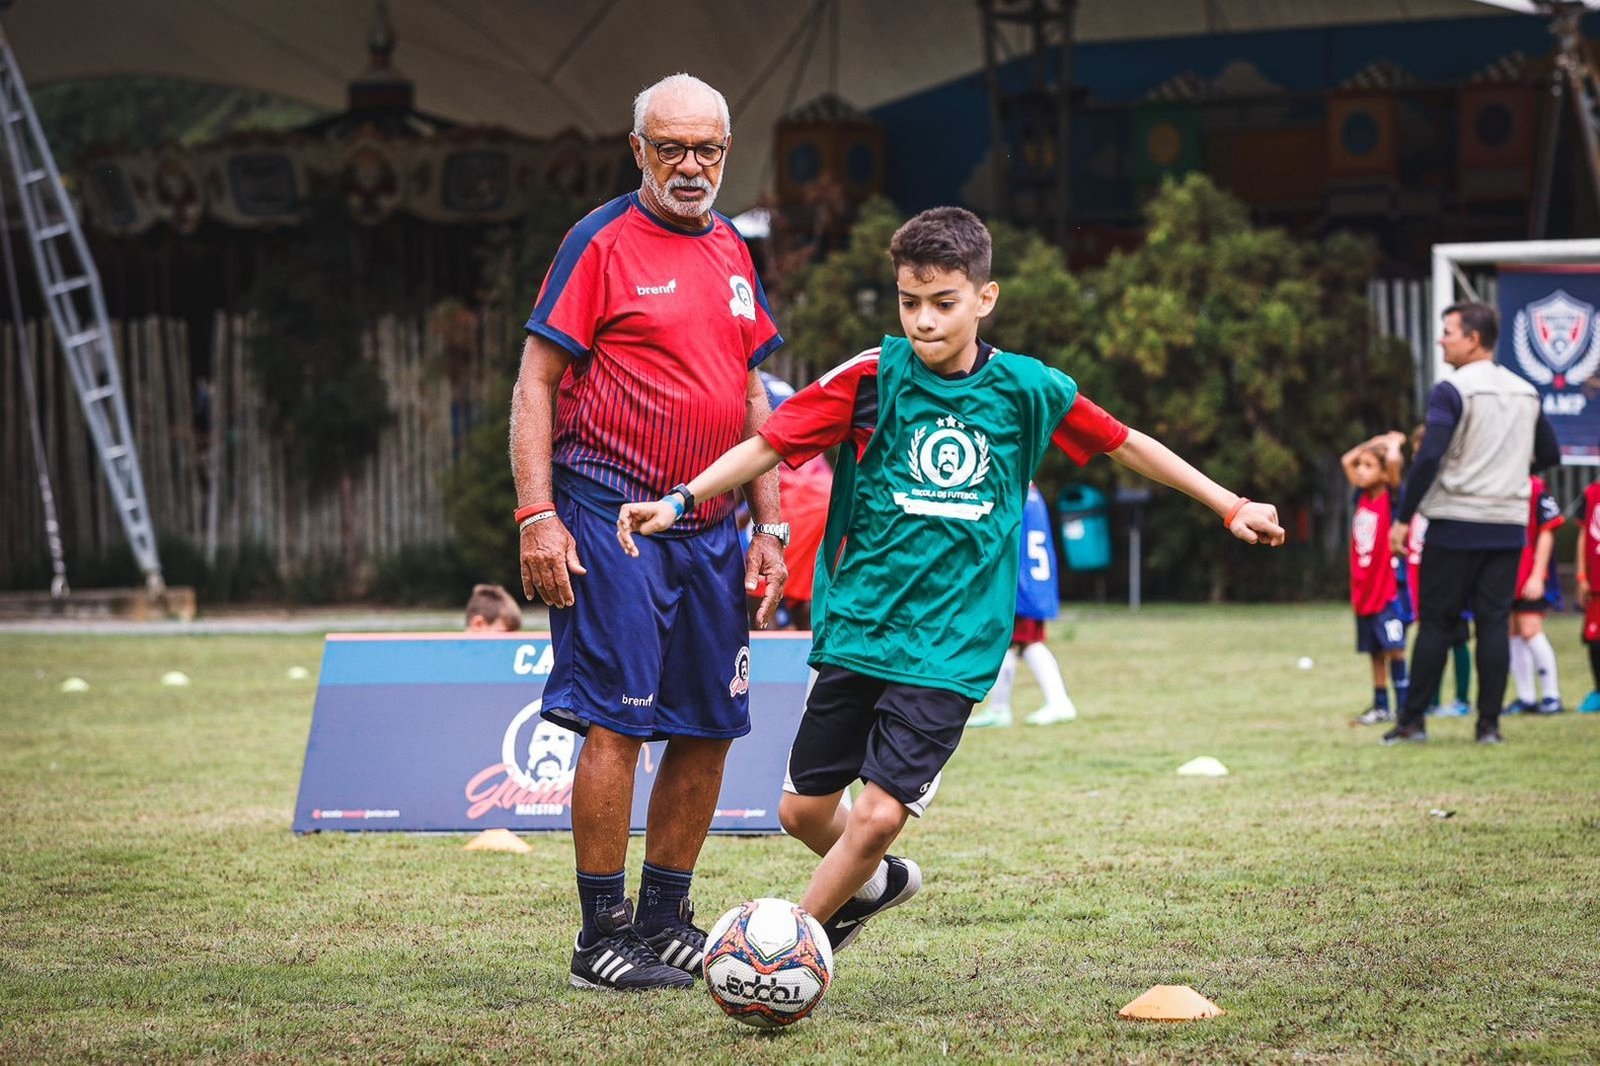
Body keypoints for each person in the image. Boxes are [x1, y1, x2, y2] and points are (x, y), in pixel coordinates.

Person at [617, 206, 1284, 954]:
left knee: (874, 817)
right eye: (909, 302)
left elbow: (1127, 444)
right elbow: (767, 444)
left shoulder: (1029, 389)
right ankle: (877, 885)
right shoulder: (872, 377)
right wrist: (681, 500)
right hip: (861, 629)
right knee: (804, 814)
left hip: (954, 646)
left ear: (984, 298)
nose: (924, 321)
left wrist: (1230, 504)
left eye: (943, 303)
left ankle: (782, 952)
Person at [509, 73, 786, 992]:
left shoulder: (735, 253)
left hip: (712, 527)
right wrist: (538, 515)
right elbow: (535, 383)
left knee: (709, 727)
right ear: (637, 150)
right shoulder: (599, 242)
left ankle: (668, 917)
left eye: (707, 148)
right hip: (610, 514)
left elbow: (756, 397)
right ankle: (601, 936)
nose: (690, 166)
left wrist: (770, 522)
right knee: (615, 725)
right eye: (670, 147)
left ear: (726, 152)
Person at [1385, 301, 1560, 745]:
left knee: (1438, 623)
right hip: (1507, 525)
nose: (1441, 339)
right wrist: (1507, 469)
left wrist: (1404, 517)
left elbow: (1429, 456)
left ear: (1473, 339)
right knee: (1494, 624)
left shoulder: (1452, 388)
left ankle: (1412, 722)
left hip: (1455, 521)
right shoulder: (1526, 391)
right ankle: (1489, 726)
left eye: (1448, 331)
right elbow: (1550, 455)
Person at [968, 481, 1077, 728]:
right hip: (1032, 583)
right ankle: (999, 709)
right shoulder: (1033, 494)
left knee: (1028, 643)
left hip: (1021, 584)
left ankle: (1058, 701)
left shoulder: (1015, 493)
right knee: (1010, 644)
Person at [1342, 432, 1411, 726]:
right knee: (1374, 651)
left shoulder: (1392, 498)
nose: (1359, 469)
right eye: (1361, 465)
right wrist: (1376, 441)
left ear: (1384, 473)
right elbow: (1346, 459)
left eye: (1368, 465)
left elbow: (1394, 463)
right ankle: (1381, 705)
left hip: (1386, 591)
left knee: (1394, 648)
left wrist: (1393, 445)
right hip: (1363, 589)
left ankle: (1406, 708)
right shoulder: (1361, 497)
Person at [1405, 423, 1472, 719]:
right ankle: (1429, 699)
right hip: (1420, 572)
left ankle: (1461, 698)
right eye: (1416, 453)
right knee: (1429, 633)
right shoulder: (1413, 491)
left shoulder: (1452, 487)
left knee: (1456, 636)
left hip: (1450, 569)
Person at [1505, 474, 1564, 715]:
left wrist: (1537, 575)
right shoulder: (1498, 481)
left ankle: (1552, 695)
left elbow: (1547, 531)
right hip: (1506, 570)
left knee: (1531, 629)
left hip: (1528, 570)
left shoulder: (1536, 487)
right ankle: (1526, 697)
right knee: (1513, 631)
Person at [1575, 475, 1600, 713]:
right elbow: (1584, 535)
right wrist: (1582, 574)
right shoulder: (1592, 493)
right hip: (1596, 583)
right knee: (1594, 640)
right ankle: (1598, 691)